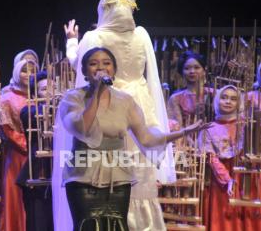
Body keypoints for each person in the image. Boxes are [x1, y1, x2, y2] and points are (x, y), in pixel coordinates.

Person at [54, 47, 208, 230]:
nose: (101, 68)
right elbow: (82, 127)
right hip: (83, 174)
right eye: (93, 64)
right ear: (85, 72)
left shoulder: (125, 100)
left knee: (117, 225)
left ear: (114, 70)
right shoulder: (74, 98)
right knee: (89, 225)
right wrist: (96, 91)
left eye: (106, 63)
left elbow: (147, 138)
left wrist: (182, 132)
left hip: (119, 174)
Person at [61, 0, 175, 231]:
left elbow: (80, 63)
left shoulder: (94, 36)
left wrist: (72, 41)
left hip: (113, 103)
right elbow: (150, 74)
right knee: (136, 170)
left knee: (113, 165)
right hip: (140, 100)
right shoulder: (142, 34)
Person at [199, 85, 261, 230]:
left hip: (245, 178)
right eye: (224, 97)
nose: (228, 101)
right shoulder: (209, 128)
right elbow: (210, 157)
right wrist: (227, 180)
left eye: (233, 99)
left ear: (238, 103)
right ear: (217, 101)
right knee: (223, 218)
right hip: (220, 180)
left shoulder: (246, 125)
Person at [0, 59, 38, 231]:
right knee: (16, 195)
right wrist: (28, 145)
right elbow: (8, 129)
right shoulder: (7, 98)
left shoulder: (42, 93)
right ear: (16, 72)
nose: (29, 74)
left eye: (32, 70)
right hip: (18, 153)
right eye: (24, 70)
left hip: (41, 152)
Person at [17, 71, 54, 231]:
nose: (51, 92)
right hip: (36, 175)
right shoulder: (28, 112)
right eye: (45, 89)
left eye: (54, 87)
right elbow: (42, 115)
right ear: (35, 94)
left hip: (59, 174)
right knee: (38, 223)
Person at [167, 51, 213, 128]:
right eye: (187, 68)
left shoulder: (214, 93)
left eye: (196, 67)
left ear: (204, 70)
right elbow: (176, 127)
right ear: (182, 72)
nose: (192, 71)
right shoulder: (176, 98)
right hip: (185, 138)